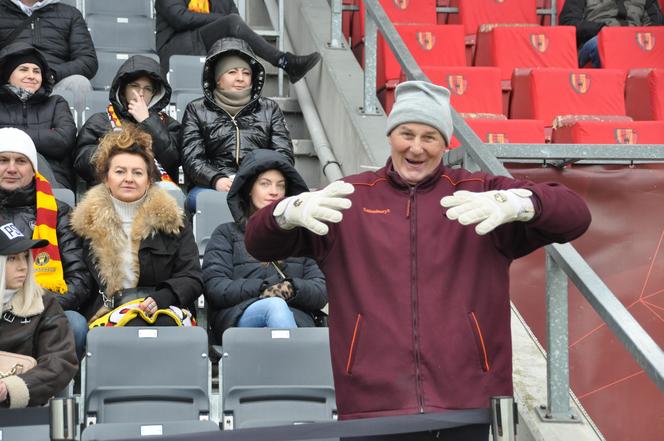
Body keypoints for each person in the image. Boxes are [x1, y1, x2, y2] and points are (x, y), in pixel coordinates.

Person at [245, 81, 592, 440]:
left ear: (446, 143)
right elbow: (258, 244)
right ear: (391, 135)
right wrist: (285, 212)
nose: (416, 147)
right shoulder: (348, 199)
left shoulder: (479, 194)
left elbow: (575, 215)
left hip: (468, 402)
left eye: (429, 136)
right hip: (372, 404)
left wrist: (520, 203)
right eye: (406, 133)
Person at [71, 125, 202, 324]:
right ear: (106, 178)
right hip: (106, 315)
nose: (129, 179)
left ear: (149, 180)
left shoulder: (174, 221)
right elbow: (79, 283)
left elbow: (192, 276)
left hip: (164, 312)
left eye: (138, 173)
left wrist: (164, 297)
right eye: (120, 171)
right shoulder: (83, 224)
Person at [203, 149, 327, 343]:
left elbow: (320, 290)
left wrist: (291, 288)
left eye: (281, 185)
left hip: (296, 318)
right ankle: (297, 366)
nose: (274, 191)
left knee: (278, 306)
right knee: (274, 306)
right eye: (265, 184)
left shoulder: (301, 237)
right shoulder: (226, 234)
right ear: (249, 188)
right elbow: (216, 288)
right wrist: (265, 289)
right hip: (238, 318)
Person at [0, 127, 90, 360]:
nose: (11, 168)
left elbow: (79, 278)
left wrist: (37, 305)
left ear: (33, 169)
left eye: (20, 161)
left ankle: (52, 393)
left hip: (43, 307)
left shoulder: (59, 213)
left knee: (75, 323)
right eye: (3, 160)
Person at [181, 37, 294, 211]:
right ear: (218, 79)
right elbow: (192, 158)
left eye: (246, 73)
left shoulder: (270, 108)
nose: (241, 78)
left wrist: (255, 181)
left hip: (260, 184)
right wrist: (217, 179)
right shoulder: (196, 110)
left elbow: (283, 154)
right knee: (206, 200)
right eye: (232, 72)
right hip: (212, 184)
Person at [0, 221, 78, 408]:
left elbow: (60, 362)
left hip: (23, 412)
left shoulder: (44, 302)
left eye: (25, 257)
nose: (23, 266)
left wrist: (11, 387)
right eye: (12, 258)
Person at [74, 55, 181, 189]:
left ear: (155, 93)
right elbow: (81, 164)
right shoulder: (99, 121)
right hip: (109, 191)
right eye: (135, 86)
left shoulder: (168, 124)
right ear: (123, 89)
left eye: (147, 89)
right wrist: (116, 149)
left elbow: (172, 161)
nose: (141, 93)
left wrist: (147, 121)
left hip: (153, 193)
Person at [156, 0, 321, 83]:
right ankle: (284, 61)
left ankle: (284, 62)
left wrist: (225, 21)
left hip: (212, 48)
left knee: (235, 30)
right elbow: (180, 18)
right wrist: (222, 20)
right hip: (176, 48)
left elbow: (235, 23)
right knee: (232, 23)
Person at [0, 42, 77, 189]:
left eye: (36, 71)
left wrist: (8, 134)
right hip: (4, 174)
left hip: (52, 176)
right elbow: (54, 139)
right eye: (23, 69)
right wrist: (46, 135)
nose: (31, 76)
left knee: (39, 160)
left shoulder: (56, 103)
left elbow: (63, 141)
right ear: (8, 75)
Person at [0, 0, 98, 108]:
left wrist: (50, 74)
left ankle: (69, 125)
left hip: (54, 83)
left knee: (79, 82)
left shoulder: (70, 14)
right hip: (8, 84)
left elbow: (88, 60)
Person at [560, 0, 664, 68]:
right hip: (597, 38)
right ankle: (605, 91)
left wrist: (635, 36)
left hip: (634, 40)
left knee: (656, 45)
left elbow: (655, 24)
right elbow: (569, 23)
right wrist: (603, 30)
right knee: (599, 45)